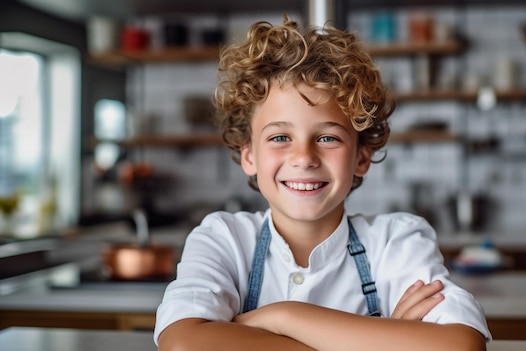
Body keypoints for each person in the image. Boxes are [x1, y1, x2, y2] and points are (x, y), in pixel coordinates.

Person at [155, 16, 491, 351]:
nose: (304, 157)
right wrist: (382, 339)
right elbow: (183, 344)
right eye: (281, 137)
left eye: (328, 137)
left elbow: (460, 346)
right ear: (249, 156)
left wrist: (282, 317)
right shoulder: (223, 239)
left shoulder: (396, 242)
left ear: (361, 157)